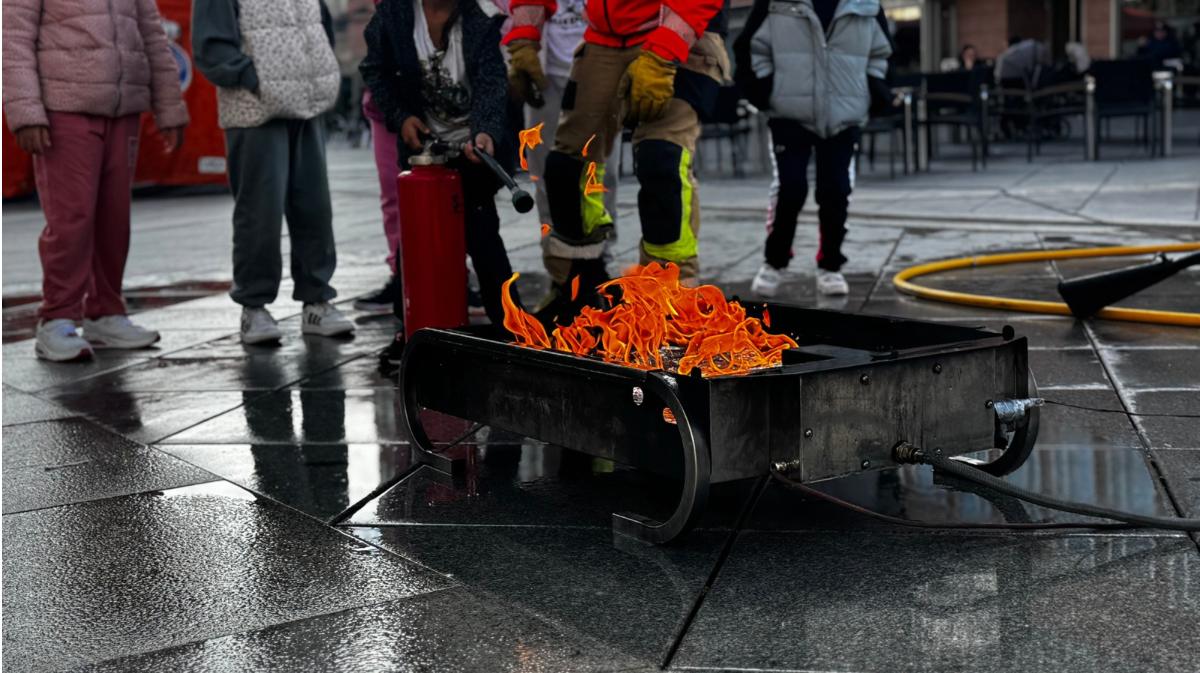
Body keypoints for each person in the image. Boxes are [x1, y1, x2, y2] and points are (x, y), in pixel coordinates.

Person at [505, 0, 729, 324]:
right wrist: (525, 35)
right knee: (568, 168)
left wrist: (664, 51)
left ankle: (671, 300)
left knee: (662, 161)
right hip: (605, 40)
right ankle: (578, 286)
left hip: (681, 31)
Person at [3, 0, 189, 361]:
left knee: (114, 219)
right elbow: (12, 39)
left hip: (123, 110)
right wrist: (26, 113)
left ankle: (105, 312)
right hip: (64, 108)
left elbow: (153, 35)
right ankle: (56, 319)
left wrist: (169, 107)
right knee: (72, 218)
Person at [193, 0, 355, 344]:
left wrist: (317, 73)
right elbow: (211, 47)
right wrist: (252, 78)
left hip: (305, 104)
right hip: (253, 110)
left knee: (314, 207)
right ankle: (254, 307)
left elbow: (318, 25)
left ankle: (317, 301)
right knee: (259, 212)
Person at [360, 0, 516, 345]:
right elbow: (375, 71)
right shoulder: (394, 15)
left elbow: (493, 84)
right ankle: (411, 333)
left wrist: (485, 131)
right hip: (424, 151)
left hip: (473, 149)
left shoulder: (482, 19)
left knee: (483, 237)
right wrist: (401, 118)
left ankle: (514, 330)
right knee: (414, 248)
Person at [735, 0, 892, 298]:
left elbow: (881, 52)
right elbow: (750, 48)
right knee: (790, 189)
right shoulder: (775, 2)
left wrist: (873, 89)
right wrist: (767, 89)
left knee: (836, 190)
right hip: (788, 112)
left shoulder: (867, 3)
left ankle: (830, 265)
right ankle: (775, 261)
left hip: (844, 114)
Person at [522, 0, 618, 238]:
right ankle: (556, 245)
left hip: (600, 73)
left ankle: (601, 247)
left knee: (603, 172)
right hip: (546, 80)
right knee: (544, 171)